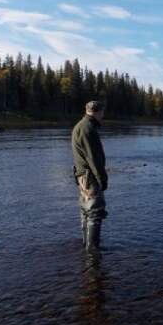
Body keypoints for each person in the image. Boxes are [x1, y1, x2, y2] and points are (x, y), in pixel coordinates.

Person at [72, 100, 108, 250]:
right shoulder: (88, 129)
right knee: (94, 212)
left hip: (82, 176)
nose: (103, 116)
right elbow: (93, 158)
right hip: (89, 177)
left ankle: (87, 247)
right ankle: (92, 251)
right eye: (102, 113)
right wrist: (102, 179)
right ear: (98, 112)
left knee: (86, 212)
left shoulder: (81, 126)